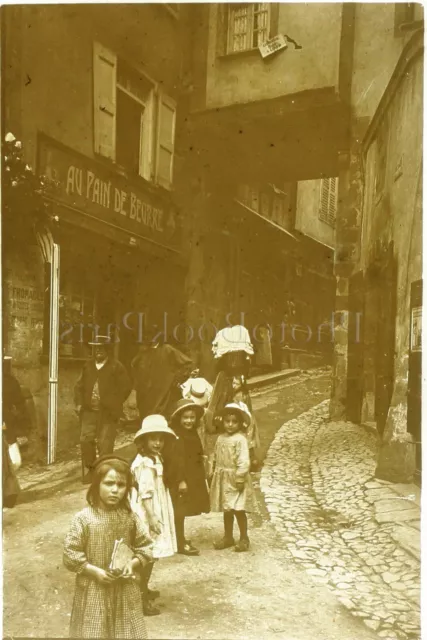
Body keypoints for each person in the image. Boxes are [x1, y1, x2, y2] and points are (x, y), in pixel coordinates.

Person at [63, 455, 153, 639]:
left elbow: (146, 547)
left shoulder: (129, 517)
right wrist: (94, 571)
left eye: (121, 486)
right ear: (96, 485)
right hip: (94, 589)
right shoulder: (84, 519)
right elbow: (70, 554)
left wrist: (132, 564)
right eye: (109, 483)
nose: (115, 490)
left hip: (125, 590)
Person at [130, 414, 178, 617]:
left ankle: (144, 588)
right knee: (147, 554)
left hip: (157, 505)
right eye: (153, 438)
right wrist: (151, 517)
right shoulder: (144, 464)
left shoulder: (155, 459)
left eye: (160, 438)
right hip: (148, 510)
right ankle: (139, 596)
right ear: (144, 441)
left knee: (151, 555)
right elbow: (146, 492)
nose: (157, 443)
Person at [74, 336, 132, 483]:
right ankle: (92, 469)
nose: (98, 351)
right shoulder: (88, 366)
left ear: (108, 350)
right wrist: (79, 403)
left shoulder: (116, 367)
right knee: (85, 440)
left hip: (108, 412)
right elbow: (79, 386)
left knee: (105, 444)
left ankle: (102, 472)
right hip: (89, 411)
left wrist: (115, 402)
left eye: (102, 348)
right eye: (96, 348)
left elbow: (126, 387)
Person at [165, 398, 210, 556]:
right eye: (185, 417)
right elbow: (177, 461)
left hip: (192, 475)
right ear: (179, 418)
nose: (189, 421)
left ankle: (180, 538)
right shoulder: (177, 437)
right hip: (180, 478)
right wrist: (181, 480)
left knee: (183, 509)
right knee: (179, 510)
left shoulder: (191, 433)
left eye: (192, 417)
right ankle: (179, 542)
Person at [209, 403, 256, 553]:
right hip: (223, 477)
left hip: (235, 478)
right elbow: (215, 455)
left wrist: (240, 477)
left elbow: (244, 460)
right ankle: (228, 536)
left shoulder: (240, 439)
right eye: (227, 421)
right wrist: (212, 469)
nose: (230, 425)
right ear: (222, 422)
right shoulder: (220, 438)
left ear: (239, 423)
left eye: (234, 421)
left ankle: (244, 538)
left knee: (238, 509)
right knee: (227, 509)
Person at [131, 332, 194, 421]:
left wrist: (177, 379)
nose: (148, 339)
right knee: (146, 414)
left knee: (161, 413)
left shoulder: (167, 349)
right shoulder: (144, 351)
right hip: (146, 390)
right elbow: (135, 366)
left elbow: (187, 363)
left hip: (163, 389)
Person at [2, 355, 26, 508]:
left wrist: (11, 420)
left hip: (8, 428)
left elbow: (20, 404)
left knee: (15, 461)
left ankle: (8, 489)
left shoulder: (10, 382)